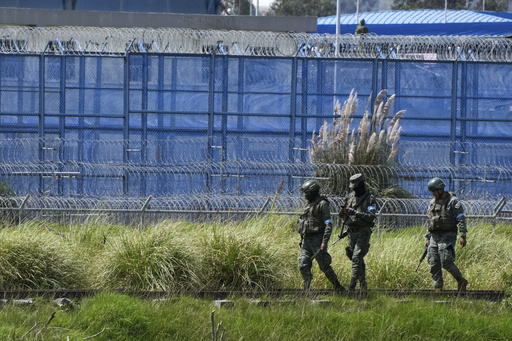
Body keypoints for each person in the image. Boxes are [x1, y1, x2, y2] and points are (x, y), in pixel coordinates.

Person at [297, 179, 345, 293]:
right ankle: (306, 289)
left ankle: (338, 287)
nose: (305, 195)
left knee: (324, 266)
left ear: (313, 191)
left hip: (318, 240)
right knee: (303, 264)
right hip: (307, 240)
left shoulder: (322, 204)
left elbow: (328, 224)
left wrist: (325, 241)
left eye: (307, 193)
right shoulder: (309, 204)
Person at [425, 177, 468, 292]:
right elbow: (430, 220)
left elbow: (461, 219)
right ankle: (438, 288)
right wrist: (427, 237)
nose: (433, 194)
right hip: (434, 236)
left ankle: (461, 280)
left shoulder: (453, 201)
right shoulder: (432, 202)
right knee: (433, 262)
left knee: (446, 260)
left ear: (440, 189)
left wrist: (462, 235)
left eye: (435, 191)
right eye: (432, 192)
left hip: (448, 234)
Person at [340, 173, 376, 292]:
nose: (354, 190)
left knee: (356, 257)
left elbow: (371, 217)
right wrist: (344, 213)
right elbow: (343, 215)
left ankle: (352, 285)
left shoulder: (369, 198)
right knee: (357, 258)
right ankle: (363, 285)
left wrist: (355, 213)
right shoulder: (350, 197)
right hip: (352, 232)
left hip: (363, 232)